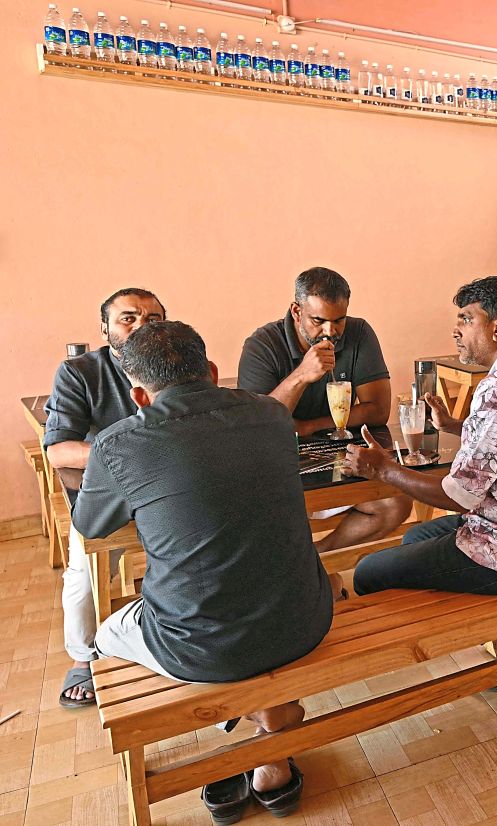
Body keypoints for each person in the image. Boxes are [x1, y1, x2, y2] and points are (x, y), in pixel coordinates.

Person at [76, 321, 334, 822]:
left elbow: (91, 525)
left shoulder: (118, 444)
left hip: (201, 649)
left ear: (138, 395)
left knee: (103, 639)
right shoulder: (271, 415)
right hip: (305, 620)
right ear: (213, 372)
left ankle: (231, 730)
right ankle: (271, 743)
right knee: (250, 590)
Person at [342, 276, 497, 659]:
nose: (456, 330)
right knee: (414, 539)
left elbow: (458, 497)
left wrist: (383, 469)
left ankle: (414, 648)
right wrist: (458, 427)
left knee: (368, 572)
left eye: (466, 319)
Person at [43, 287, 166, 708]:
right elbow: (59, 450)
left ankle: (171, 629)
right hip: (110, 487)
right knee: (84, 570)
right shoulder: (80, 372)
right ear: (105, 329)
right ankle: (81, 658)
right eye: (128, 318)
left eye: (152, 319)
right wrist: (131, 452)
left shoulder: (178, 363)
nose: (140, 327)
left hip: (171, 482)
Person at [238, 267, 411, 552]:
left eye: (338, 320)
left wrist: (309, 426)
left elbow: (378, 410)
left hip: (338, 459)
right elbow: (259, 426)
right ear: (296, 311)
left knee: (397, 502)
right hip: (277, 466)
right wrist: (302, 375)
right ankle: (302, 574)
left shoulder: (358, 333)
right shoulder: (261, 346)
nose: (330, 331)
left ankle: (316, 562)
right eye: (318, 320)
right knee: (262, 516)